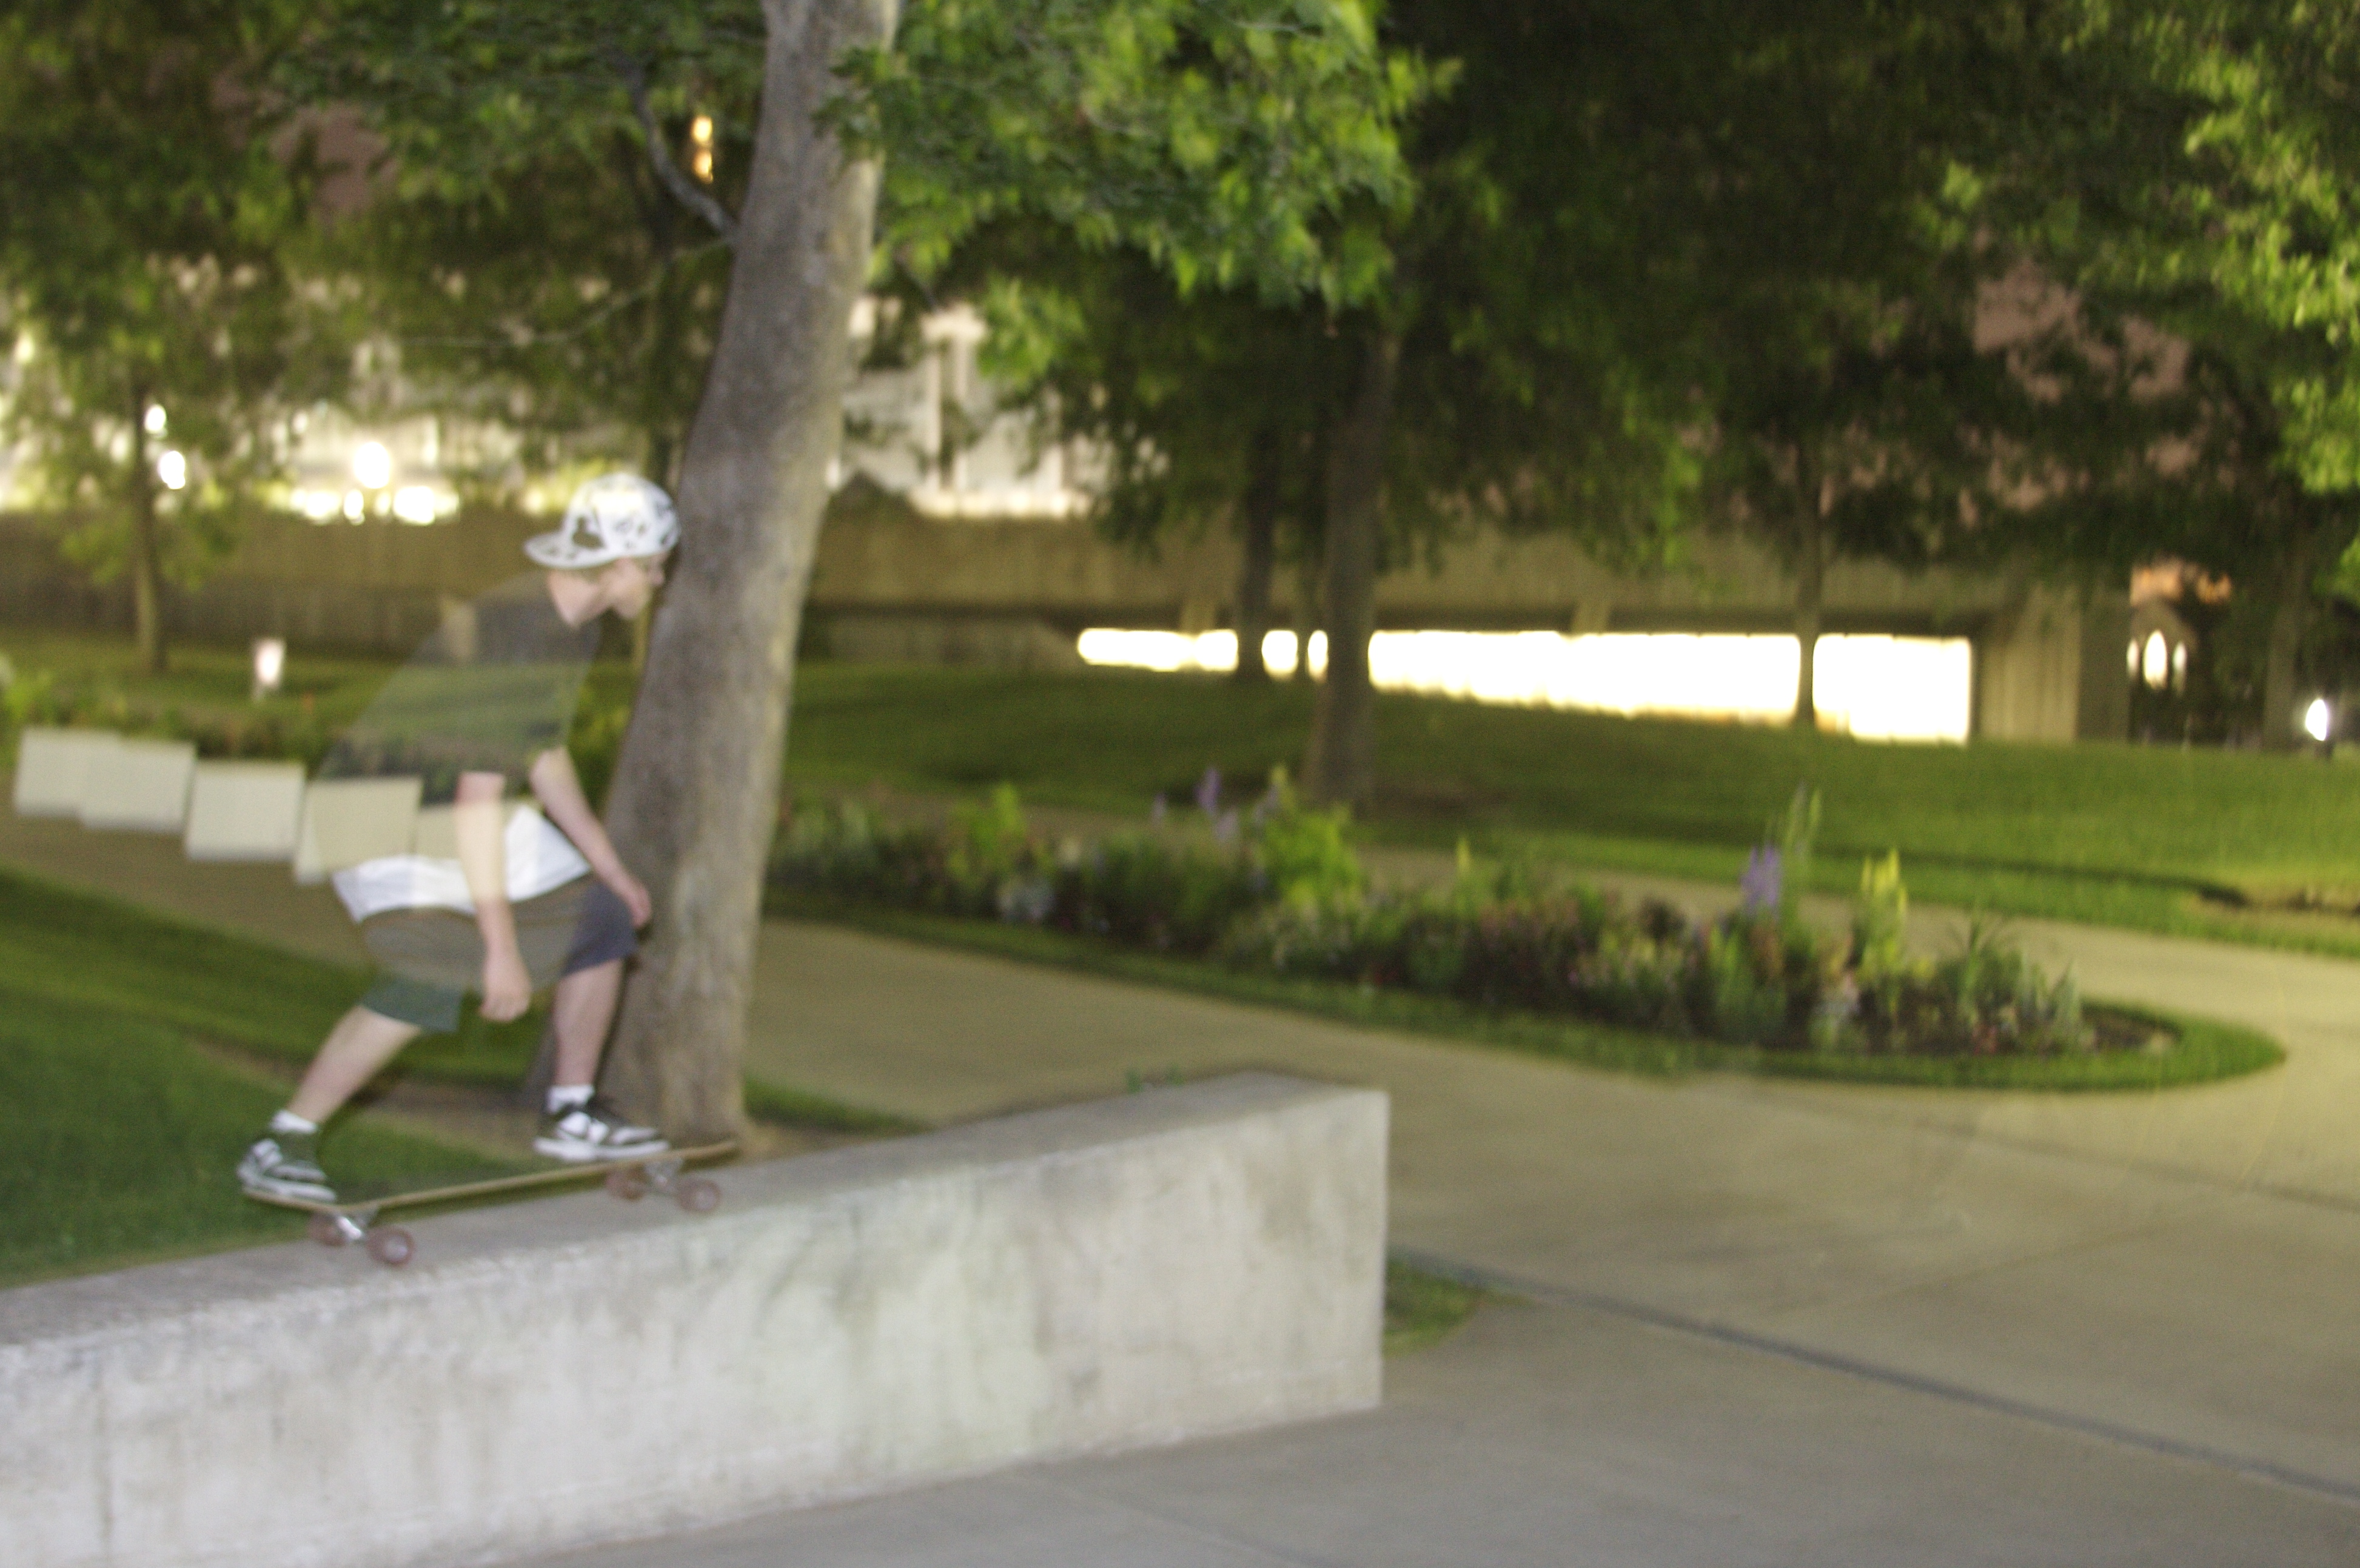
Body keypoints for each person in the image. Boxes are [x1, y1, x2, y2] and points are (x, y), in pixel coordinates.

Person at [238, 473, 679, 1202]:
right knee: (433, 969)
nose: (661, 579)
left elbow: (542, 754)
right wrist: (500, 949)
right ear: (617, 563)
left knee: (600, 916)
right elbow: (475, 802)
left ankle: (571, 1114)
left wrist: (612, 868)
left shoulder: (573, 623)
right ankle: (281, 1142)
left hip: (450, 806)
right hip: (380, 815)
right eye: (655, 563)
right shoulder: (517, 636)